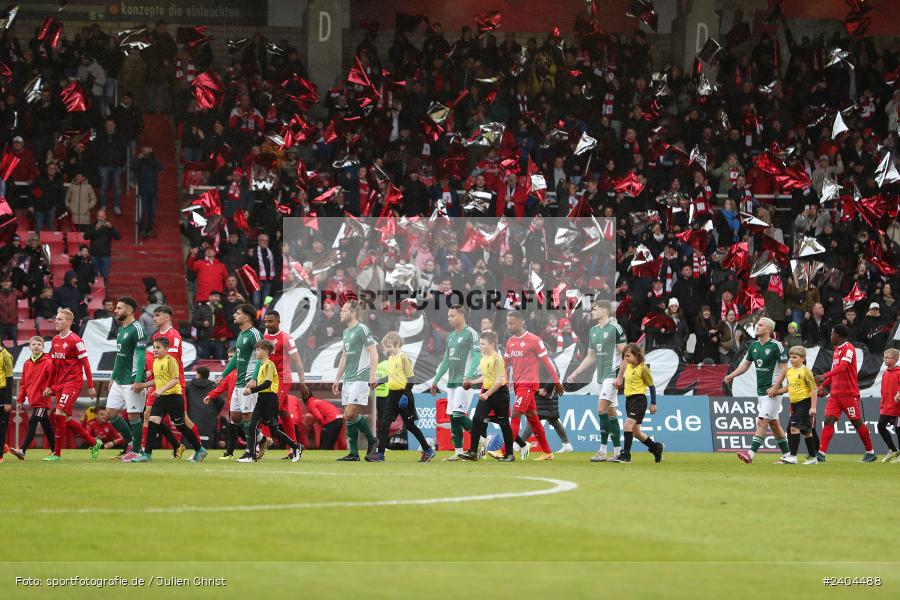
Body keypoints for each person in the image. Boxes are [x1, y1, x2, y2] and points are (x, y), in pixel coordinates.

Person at [723, 317, 791, 464]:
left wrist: (775, 387)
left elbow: (785, 369)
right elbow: (745, 365)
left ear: (768, 330)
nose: (757, 327)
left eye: (760, 325)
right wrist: (731, 375)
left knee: (761, 422)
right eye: (757, 324)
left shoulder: (776, 346)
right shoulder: (754, 346)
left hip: (772, 392)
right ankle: (788, 456)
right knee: (774, 424)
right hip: (761, 392)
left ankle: (750, 454)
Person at [566, 300, 626, 462]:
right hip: (600, 376)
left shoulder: (616, 328)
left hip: (612, 375)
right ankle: (619, 452)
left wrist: (620, 376)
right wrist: (576, 373)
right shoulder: (593, 331)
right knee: (611, 412)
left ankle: (602, 450)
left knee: (601, 410)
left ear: (605, 311)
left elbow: (625, 354)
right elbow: (590, 356)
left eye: (595, 309)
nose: (592, 312)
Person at [139, 305, 202, 459]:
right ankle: (146, 451)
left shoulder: (173, 336)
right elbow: (158, 363)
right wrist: (148, 376)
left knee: (183, 421)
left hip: (174, 384)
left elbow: (169, 362)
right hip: (159, 383)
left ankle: (198, 448)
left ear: (167, 317)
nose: (154, 318)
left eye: (157, 315)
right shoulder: (155, 336)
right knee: (149, 415)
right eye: (154, 315)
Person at [130, 337, 206, 462]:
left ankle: (199, 449)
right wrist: (142, 385)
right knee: (152, 421)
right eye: (154, 347)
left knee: (181, 426)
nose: (155, 350)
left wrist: (160, 390)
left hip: (174, 398)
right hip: (161, 398)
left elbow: (175, 380)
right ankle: (147, 455)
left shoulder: (171, 360)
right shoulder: (156, 361)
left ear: (166, 349)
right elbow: (157, 380)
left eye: (158, 347)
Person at [503, 311, 564, 461]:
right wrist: (504, 380)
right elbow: (504, 364)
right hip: (518, 385)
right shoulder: (510, 341)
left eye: (511, 323)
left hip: (529, 384)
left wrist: (556, 382)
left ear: (521, 322)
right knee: (533, 420)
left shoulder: (534, 340)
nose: (508, 326)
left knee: (515, 414)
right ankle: (547, 452)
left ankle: (505, 450)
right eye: (507, 323)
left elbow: (548, 363)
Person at [42, 309, 102, 461]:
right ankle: (94, 442)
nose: (56, 321)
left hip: (73, 382)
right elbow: (54, 366)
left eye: (60, 319)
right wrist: (49, 386)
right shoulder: (55, 340)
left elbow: (86, 364)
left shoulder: (76, 341)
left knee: (59, 414)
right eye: (56, 318)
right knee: (66, 419)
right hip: (60, 384)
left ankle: (57, 454)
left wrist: (90, 385)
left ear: (68, 322)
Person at [814, 325, 877, 462]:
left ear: (838, 335)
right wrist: (823, 386)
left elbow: (843, 367)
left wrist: (823, 376)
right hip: (835, 395)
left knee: (857, 422)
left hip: (849, 394)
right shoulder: (836, 350)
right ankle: (821, 453)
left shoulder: (849, 348)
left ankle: (870, 452)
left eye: (832, 334)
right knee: (828, 420)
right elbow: (834, 373)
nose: (831, 337)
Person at [370, 332, 434, 462]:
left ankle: (428, 450)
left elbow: (411, 379)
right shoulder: (391, 358)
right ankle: (380, 454)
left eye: (389, 346)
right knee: (384, 424)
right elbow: (391, 377)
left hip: (404, 395)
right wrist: (379, 382)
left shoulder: (404, 358)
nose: (387, 349)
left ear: (397, 344)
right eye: (385, 347)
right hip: (392, 395)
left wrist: (405, 396)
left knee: (410, 426)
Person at [429, 304, 482, 460]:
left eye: (452, 316)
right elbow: (446, 360)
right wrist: (436, 380)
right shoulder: (451, 336)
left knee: (458, 415)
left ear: (461, 315)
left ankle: (483, 438)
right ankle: (458, 452)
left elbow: (477, 356)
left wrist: (469, 376)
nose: (449, 319)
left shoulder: (471, 333)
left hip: (465, 381)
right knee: (453, 418)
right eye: (448, 316)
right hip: (452, 382)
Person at [237, 340, 303, 463]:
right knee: (251, 426)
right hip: (261, 398)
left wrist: (251, 390)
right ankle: (251, 456)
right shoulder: (261, 365)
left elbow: (267, 383)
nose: (256, 352)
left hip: (270, 399)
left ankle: (296, 446)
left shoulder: (269, 364)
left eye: (258, 350)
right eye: (255, 349)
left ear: (266, 351)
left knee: (274, 430)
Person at [331, 300, 379, 461]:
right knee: (348, 416)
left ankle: (373, 441)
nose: (341, 312)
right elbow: (344, 356)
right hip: (348, 379)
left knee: (350, 413)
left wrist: (373, 375)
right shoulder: (346, 332)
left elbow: (373, 352)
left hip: (361, 377)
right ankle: (353, 453)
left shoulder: (363, 329)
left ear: (353, 313)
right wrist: (337, 379)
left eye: (344, 310)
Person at [214, 303, 262, 460]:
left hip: (249, 381)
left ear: (246, 317)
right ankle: (261, 440)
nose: (234, 315)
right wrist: (224, 374)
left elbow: (261, 358)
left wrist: (254, 378)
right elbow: (236, 357)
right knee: (235, 417)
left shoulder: (255, 334)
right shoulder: (241, 334)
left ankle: (251, 453)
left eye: (238, 313)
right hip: (238, 382)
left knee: (248, 417)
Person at [104, 297, 149, 462]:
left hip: (132, 379)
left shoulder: (137, 329)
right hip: (119, 379)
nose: (115, 310)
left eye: (119, 308)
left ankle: (137, 452)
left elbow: (142, 357)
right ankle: (131, 443)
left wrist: (138, 380)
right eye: (116, 307)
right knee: (110, 413)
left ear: (129, 311)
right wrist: (113, 376)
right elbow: (119, 356)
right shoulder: (121, 329)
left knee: (134, 416)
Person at [262, 311, 309, 458]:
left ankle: (265, 440)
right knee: (283, 412)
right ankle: (294, 447)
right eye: (266, 322)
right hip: (269, 379)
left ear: (278, 321)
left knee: (268, 408)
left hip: (283, 378)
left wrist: (302, 382)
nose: (268, 324)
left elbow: (298, 361)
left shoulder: (286, 338)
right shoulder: (265, 338)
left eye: (270, 321)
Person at [463, 332, 515, 462]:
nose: (480, 346)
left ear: (492, 344)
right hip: (488, 392)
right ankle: (473, 452)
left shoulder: (497, 359)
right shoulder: (483, 356)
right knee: (476, 419)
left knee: (504, 424)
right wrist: (473, 382)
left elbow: (499, 381)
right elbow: (486, 376)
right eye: (480, 343)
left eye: (483, 344)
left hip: (500, 394)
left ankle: (510, 454)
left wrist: (486, 394)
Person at [771, 346, 819, 465]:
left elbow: (813, 389)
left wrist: (813, 407)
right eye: (790, 357)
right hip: (794, 404)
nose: (791, 359)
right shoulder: (789, 371)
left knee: (793, 428)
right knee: (806, 431)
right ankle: (813, 458)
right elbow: (789, 387)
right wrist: (775, 391)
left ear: (802, 359)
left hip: (805, 403)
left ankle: (792, 456)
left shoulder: (805, 371)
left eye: (794, 357)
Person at [618, 343, 664, 463]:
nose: (626, 358)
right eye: (624, 356)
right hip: (628, 400)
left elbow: (652, 386)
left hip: (639, 400)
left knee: (627, 425)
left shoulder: (643, 368)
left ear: (636, 356)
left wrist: (653, 403)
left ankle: (626, 456)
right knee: (636, 432)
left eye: (628, 356)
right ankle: (656, 447)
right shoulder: (627, 366)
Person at [13, 337, 54, 458]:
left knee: (32, 422)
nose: (36, 346)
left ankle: (22, 451)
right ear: (30, 347)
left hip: (43, 400)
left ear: (43, 347)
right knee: (47, 427)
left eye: (39, 344)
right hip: (33, 400)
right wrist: (20, 399)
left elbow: (53, 380)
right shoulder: (26, 363)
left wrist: (49, 390)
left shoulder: (48, 362)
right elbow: (24, 383)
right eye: (34, 344)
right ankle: (56, 450)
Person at [518, 379, 574, 453]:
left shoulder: (545, 367)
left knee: (533, 420)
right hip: (545, 395)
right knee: (553, 421)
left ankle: (520, 444)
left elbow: (553, 376)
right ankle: (567, 444)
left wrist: (545, 389)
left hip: (545, 395)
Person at [95, 118, 127, 214]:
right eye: (108, 124)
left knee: (117, 186)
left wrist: (122, 164)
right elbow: (97, 150)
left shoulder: (119, 137)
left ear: (114, 125)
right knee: (103, 186)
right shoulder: (101, 136)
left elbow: (123, 151)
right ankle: (103, 205)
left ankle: (117, 205)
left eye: (111, 124)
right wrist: (99, 162)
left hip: (117, 165)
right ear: (105, 126)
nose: (109, 126)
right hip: (104, 165)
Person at [84, 208, 121, 285]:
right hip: (94, 255)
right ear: (96, 217)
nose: (100, 218)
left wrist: (112, 228)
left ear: (105, 217)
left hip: (105, 256)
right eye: (99, 216)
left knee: (105, 277)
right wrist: (95, 229)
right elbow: (86, 236)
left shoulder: (109, 226)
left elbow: (118, 237)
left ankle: (104, 294)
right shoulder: (92, 226)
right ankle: (95, 294)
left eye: (102, 216)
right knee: (94, 276)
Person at [133, 146, 162, 237]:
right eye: (144, 151)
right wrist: (139, 159)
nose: (146, 153)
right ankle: (141, 229)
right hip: (143, 190)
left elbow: (159, 166)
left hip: (153, 190)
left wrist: (152, 155)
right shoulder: (140, 162)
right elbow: (134, 168)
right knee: (142, 210)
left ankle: (149, 229)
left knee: (152, 211)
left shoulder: (153, 160)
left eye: (147, 152)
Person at [878, 349, 900, 462]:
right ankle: (893, 449)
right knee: (880, 426)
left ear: (896, 359)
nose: (885, 359)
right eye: (884, 357)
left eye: (888, 357)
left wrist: (899, 393)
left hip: (897, 408)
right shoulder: (885, 373)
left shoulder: (899, 372)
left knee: (898, 429)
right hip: (886, 407)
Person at [0, 343, 14, 462]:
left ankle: (0, 455)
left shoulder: (6, 355)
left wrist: (7, 401)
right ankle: (4, 447)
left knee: (1, 425)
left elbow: (10, 379)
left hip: (2, 393)